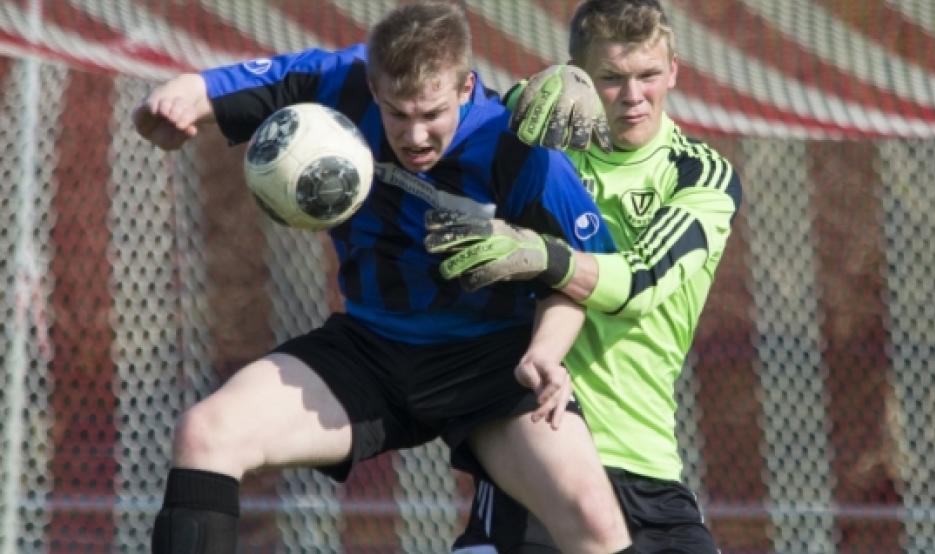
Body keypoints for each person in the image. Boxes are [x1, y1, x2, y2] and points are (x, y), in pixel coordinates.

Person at [131, 2, 638, 553]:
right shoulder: (336, 82)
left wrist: (544, 351)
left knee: (596, 524)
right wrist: (171, 102)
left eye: (432, 114)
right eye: (398, 114)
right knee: (207, 435)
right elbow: (208, 89)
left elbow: (583, 275)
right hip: (373, 351)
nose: (416, 135)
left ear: (466, 87)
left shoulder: (519, 149)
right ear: (373, 87)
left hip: (492, 367)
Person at [425, 1, 742, 552]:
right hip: (544, 451)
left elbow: (643, 282)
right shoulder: (547, 156)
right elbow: (459, 119)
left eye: (647, 75)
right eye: (611, 78)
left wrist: (545, 255)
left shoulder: (698, 174)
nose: (633, 95)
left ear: (674, 70)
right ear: (581, 74)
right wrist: (526, 94)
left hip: (648, 469)